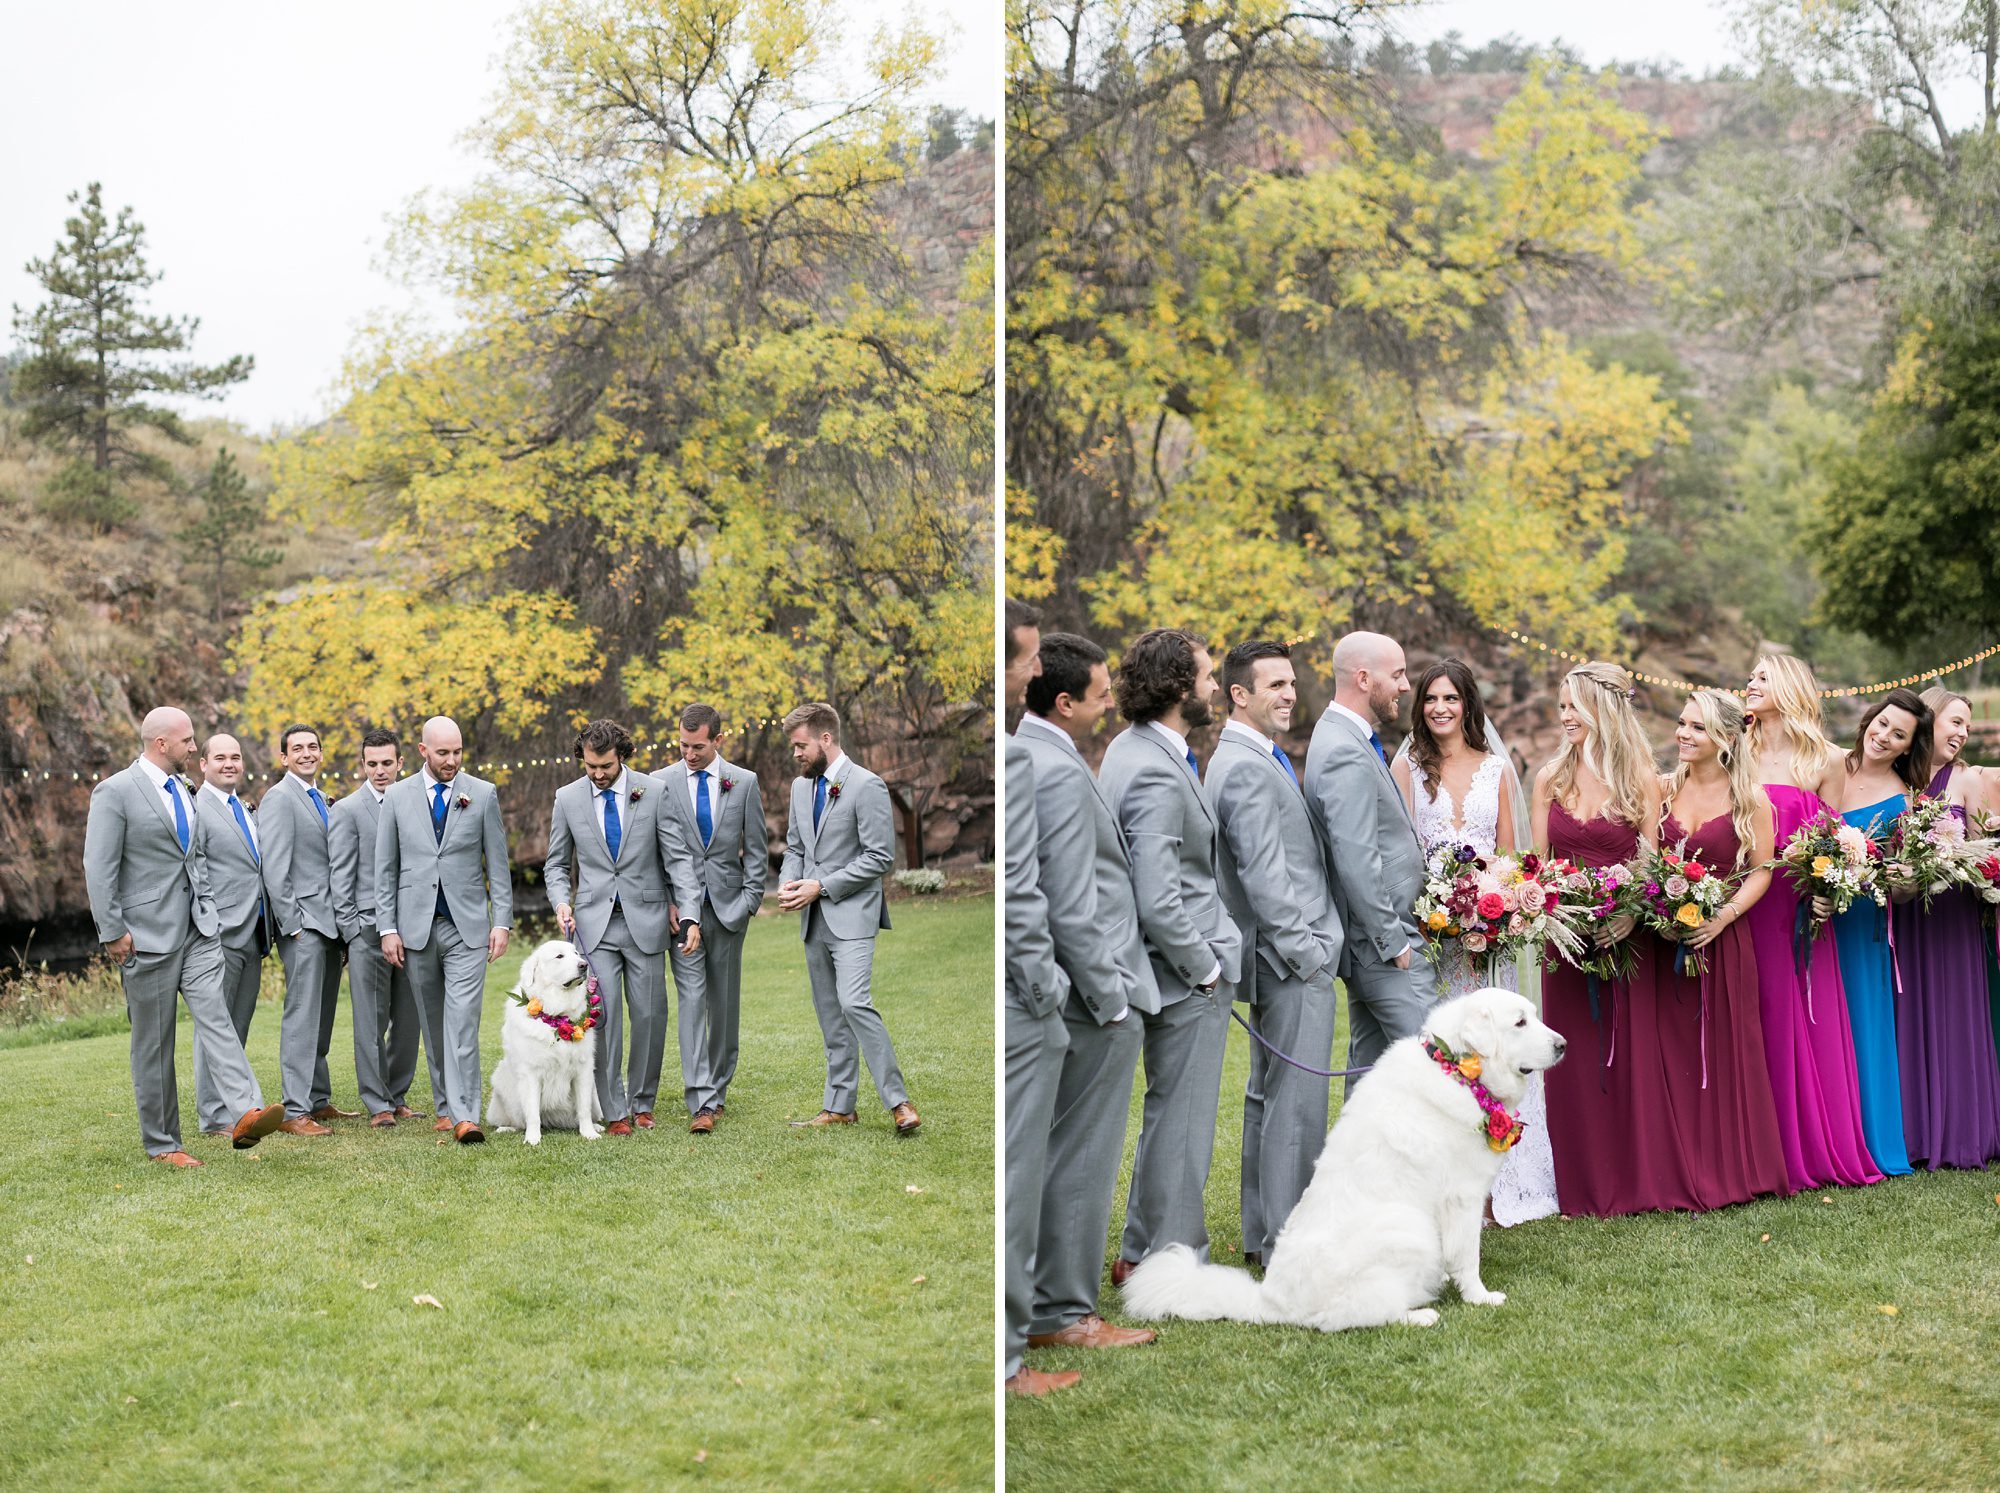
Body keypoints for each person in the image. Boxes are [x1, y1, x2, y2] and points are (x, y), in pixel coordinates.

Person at [1016, 632, 1153, 1352]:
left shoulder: (1034, 753)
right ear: (1064, 703)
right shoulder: (1057, 770)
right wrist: (1113, 997)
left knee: (1057, 1149)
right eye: (1101, 695)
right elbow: (1070, 903)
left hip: (1067, 988)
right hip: (1091, 995)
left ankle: (1045, 1300)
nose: (1109, 705)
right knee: (1083, 1154)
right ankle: (1064, 1312)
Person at [1391, 657, 1557, 1226]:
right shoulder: (1408, 766)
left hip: (1490, 942)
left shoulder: (1495, 769)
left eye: (1451, 699)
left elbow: (1509, 857)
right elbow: (1398, 851)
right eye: (1431, 699)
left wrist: (1500, 907)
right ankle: (1450, 1183)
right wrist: (1435, 911)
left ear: (1468, 706)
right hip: (1435, 940)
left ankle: (1511, 1181)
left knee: (1502, 1052)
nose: (1440, 708)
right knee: (1450, 1055)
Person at [1100, 629, 1242, 1286]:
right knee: (1183, 1122)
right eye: (1209, 676)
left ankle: (1140, 1249)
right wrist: (1206, 968)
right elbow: (1158, 894)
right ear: (1180, 687)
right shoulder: (1155, 767)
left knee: (1167, 1115)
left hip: (1166, 970)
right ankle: (1176, 1258)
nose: (1214, 687)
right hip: (1182, 977)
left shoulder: (1133, 749)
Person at [82, 706, 285, 1165]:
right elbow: (98, 867)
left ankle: (245, 1111)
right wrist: (112, 932)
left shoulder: (186, 791)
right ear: (161, 744)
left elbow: (193, 860)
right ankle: (163, 1144)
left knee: (218, 1019)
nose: (195, 748)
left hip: (199, 931)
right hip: (145, 938)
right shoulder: (114, 792)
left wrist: (207, 908)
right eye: (189, 741)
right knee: (155, 1044)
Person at [1210, 639, 1343, 1266]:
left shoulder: (1254, 754)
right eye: (1274, 686)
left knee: (1269, 1101)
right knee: (1294, 1108)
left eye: (1291, 683)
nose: (1290, 694)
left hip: (1278, 959)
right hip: (1289, 963)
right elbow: (1263, 876)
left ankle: (1268, 1238)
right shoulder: (1242, 763)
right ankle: (1290, 1245)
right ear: (1240, 694)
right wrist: (1308, 953)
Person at [1532, 661, 1678, 1216]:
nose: (1565, 715)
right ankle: (1576, 1180)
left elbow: (1653, 861)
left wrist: (1630, 915)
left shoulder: (1642, 778)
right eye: (1562, 705)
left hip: (1627, 938)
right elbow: (1538, 865)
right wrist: (1554, 911)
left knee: (1629, 1053)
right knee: (1569, 1053)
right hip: (1564, 941)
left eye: (1575, 705)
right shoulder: (1550, 778)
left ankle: (1634, 1175)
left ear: (1604, 708)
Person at [1742, 654, 1882, 1189]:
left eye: (1761, 677)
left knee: (1797, 1017)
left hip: (1795, 912)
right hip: (1744, 901)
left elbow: (1840, 843)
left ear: (1789, 687)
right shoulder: (1737, 751)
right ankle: (1750, 1149)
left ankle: (1802, 1146)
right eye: (1749, 677)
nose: (1750, 684)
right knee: (1748, 1016)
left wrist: (1829, 892)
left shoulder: (1826, 760)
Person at [1652, 688, 1791, 1208]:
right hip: (1666, 939)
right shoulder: (1663, 790)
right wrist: (1659, 912)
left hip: (1722, 941)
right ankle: (1675, 1165)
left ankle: (1730, 1166)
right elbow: (1647, 857)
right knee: (1670, 1050)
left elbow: (1762, 870)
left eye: (1697, 727)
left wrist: (1721, 918)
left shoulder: (1752, 799)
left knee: (1722, 1052)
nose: (1683, 735)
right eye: (1683, 724)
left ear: (1726, 738)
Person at [545, 718, 702, 1137]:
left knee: (650, 1014)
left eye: (606, 767)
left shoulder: (653, 791)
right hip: (593, 928)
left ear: (622, 757)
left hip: (647, 922)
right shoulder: (567, 798)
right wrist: (562, 902)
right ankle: (614, 1110)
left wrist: (688, 913)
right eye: (591, 767)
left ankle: (643, 1103)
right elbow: (557, 864)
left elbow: (678, 858)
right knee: (604, 1016)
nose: (598, 775)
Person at [1001, 600, 1080, 1397]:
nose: (1035, 671)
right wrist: (1047, 987)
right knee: (1017, 1177)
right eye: (1026, 657)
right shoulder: (1016, 757)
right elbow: (1021, 896)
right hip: (1023, 1005)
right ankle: (1008, 1359)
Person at [778, 703, 919, 1134]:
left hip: (853, 915)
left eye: (801, 745)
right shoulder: (800, 789)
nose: (796, 754)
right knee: (829, 1014)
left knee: (854, 1002)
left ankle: (899, 1101)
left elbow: (880, 857)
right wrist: (789, 882)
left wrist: (822, 886)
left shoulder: (867, 785)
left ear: (825, 739)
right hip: (813, 920)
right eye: (793, 747)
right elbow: (796, 847)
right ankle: (840, 1106)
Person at [375, 716, 512, 1144]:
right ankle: (444, 1105)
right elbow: (385, 869)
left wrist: (502, 920)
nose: (451, 760)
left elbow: (499, 865)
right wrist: (387, 928)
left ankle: (465, 1115)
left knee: (462, 1023)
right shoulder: (396, 797)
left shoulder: (483, 794)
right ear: (422, 751)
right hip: (415, 929)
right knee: (433, 1026)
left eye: (457, 752)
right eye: (442, 753)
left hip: (467, 927)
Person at [1303, 630, 1428, 1083]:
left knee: (1373, 1074)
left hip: (1374, 942)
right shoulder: (1342, 750)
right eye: (1396, 675)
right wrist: (1391, 941)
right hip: (1384, 944)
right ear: (1362, 678)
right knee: (1438, 1065)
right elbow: (1356, 858)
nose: (1405, 686)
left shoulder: (1343, 736)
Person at [1891, 688, 2000, 1168]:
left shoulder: (1966, 781)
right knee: (1904, 1014)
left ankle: (1961, 1133)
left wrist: (1961, 865)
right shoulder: (1892, 777)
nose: (1961, 734)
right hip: (1901, 914)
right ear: (1927, 718)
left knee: (1954, 1014)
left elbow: (1986, 856)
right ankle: (1911, 1134)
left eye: (1967, 728)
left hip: (1952, 918)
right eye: (1955, 722)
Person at [1825, 692, 1928, 1176]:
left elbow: (1906, 888)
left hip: (1861, 922)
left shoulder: (1903, 801)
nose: (1883, 737)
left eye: (1898, 735)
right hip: (1810, 914)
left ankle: (1869, 1139)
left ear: (1908, 748)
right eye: (1882, 724)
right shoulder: (1827, 766)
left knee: (1862, 1023)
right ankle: (1820, 1135)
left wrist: (1900, 878)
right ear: (1871, 719)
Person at [655, 703, 767, 1132]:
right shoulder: (660, 783)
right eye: (683, 745)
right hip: (681, 916)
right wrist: (670, 902)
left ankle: (718, 1089)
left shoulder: (743, 783)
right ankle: (700, 1098)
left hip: (727, 912)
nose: (689, 753)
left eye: (698, 746)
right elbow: (653, 852)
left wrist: (747, 904)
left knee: (723, 1007)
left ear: (718, 739)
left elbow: (756, 852)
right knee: (691, 1001)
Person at [329, 728, 431, 1127]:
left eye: (387, 763)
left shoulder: (415, 802)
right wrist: (352, 930)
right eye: (372, 764)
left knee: (408, 1019)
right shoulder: (348, 810)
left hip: (414, 927)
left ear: (401, 762)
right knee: (371, 1020)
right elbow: (340, 875)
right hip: (368, 930)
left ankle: (398, 1093)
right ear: (362, 764)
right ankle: (377, 1103)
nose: (379, 771)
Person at [259, 723, 354, 1134]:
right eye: (296, 748)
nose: (306, 753)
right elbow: (275, 868)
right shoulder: (279, 799)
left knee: (323, 1015)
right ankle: (295, 1110)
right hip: (304, 926)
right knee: (301, 1016)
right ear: (284, 757)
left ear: (321, 752)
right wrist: (293, 926)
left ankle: (318, 1099)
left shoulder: (322, 799)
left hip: (331, 924)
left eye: (312, 746)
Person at [189, 733, 274, 1138]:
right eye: (220, 757)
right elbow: (196, 871)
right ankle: (214, 1116)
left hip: (254, 931)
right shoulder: (197, 808)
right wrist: (212, 923)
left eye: (235, 757)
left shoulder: (242, 807)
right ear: (202, 764)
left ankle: (229, 1105)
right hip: (220, 933)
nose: (229, 764)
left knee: (237, 1024)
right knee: (215, 1027)